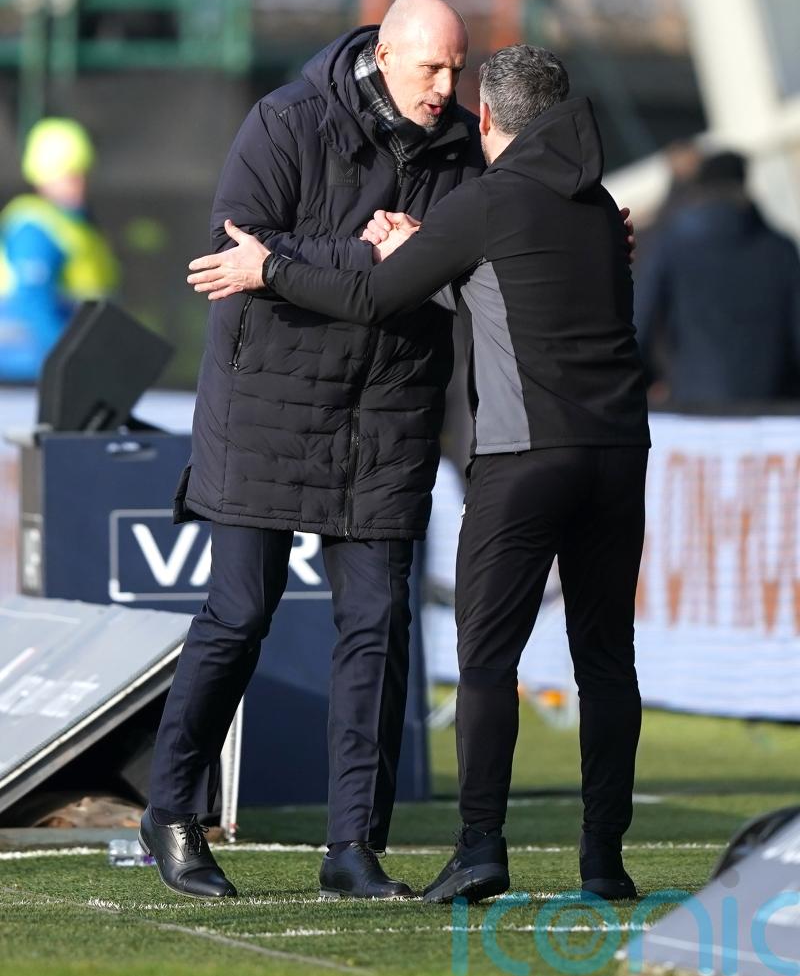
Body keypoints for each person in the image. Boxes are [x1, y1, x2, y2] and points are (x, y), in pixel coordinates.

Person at [188, 44, 651, 903]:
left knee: (485, 660)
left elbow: (373, 298)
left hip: (526, 458)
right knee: (605, 660)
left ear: (488, 119)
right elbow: (509, 292)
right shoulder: (599, 209)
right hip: (622, 456)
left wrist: (269, 267)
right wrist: (426, 245)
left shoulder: (485, 201)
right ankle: (604, 860)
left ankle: (479, 847)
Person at [139, 0, 484, 901]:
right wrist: (379, 262)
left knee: (377, 629)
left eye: (457, 69)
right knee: (239, 614)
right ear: (386, 54)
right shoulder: (287, 119)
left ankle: (353, 850)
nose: (446, 89)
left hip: (388, 418)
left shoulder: (460, 149)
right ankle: (170, 808)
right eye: (431, 70)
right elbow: (231, 251)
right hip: (265, 406)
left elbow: (472, 266)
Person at [634, 150, 800, 405]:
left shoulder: (671, 246)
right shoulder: (780, 247)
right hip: (773, 403)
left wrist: (644, 387)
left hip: (698, 407)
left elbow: (641, 323)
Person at [0, 118, 118, 382]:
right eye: (68, 174)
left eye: (81, 172)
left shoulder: (79, 226)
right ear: (44, 176)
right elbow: (32, 300)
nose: (79, 183)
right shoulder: (35, 226)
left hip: (54, 371)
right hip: (25, 373)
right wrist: (69, 360)